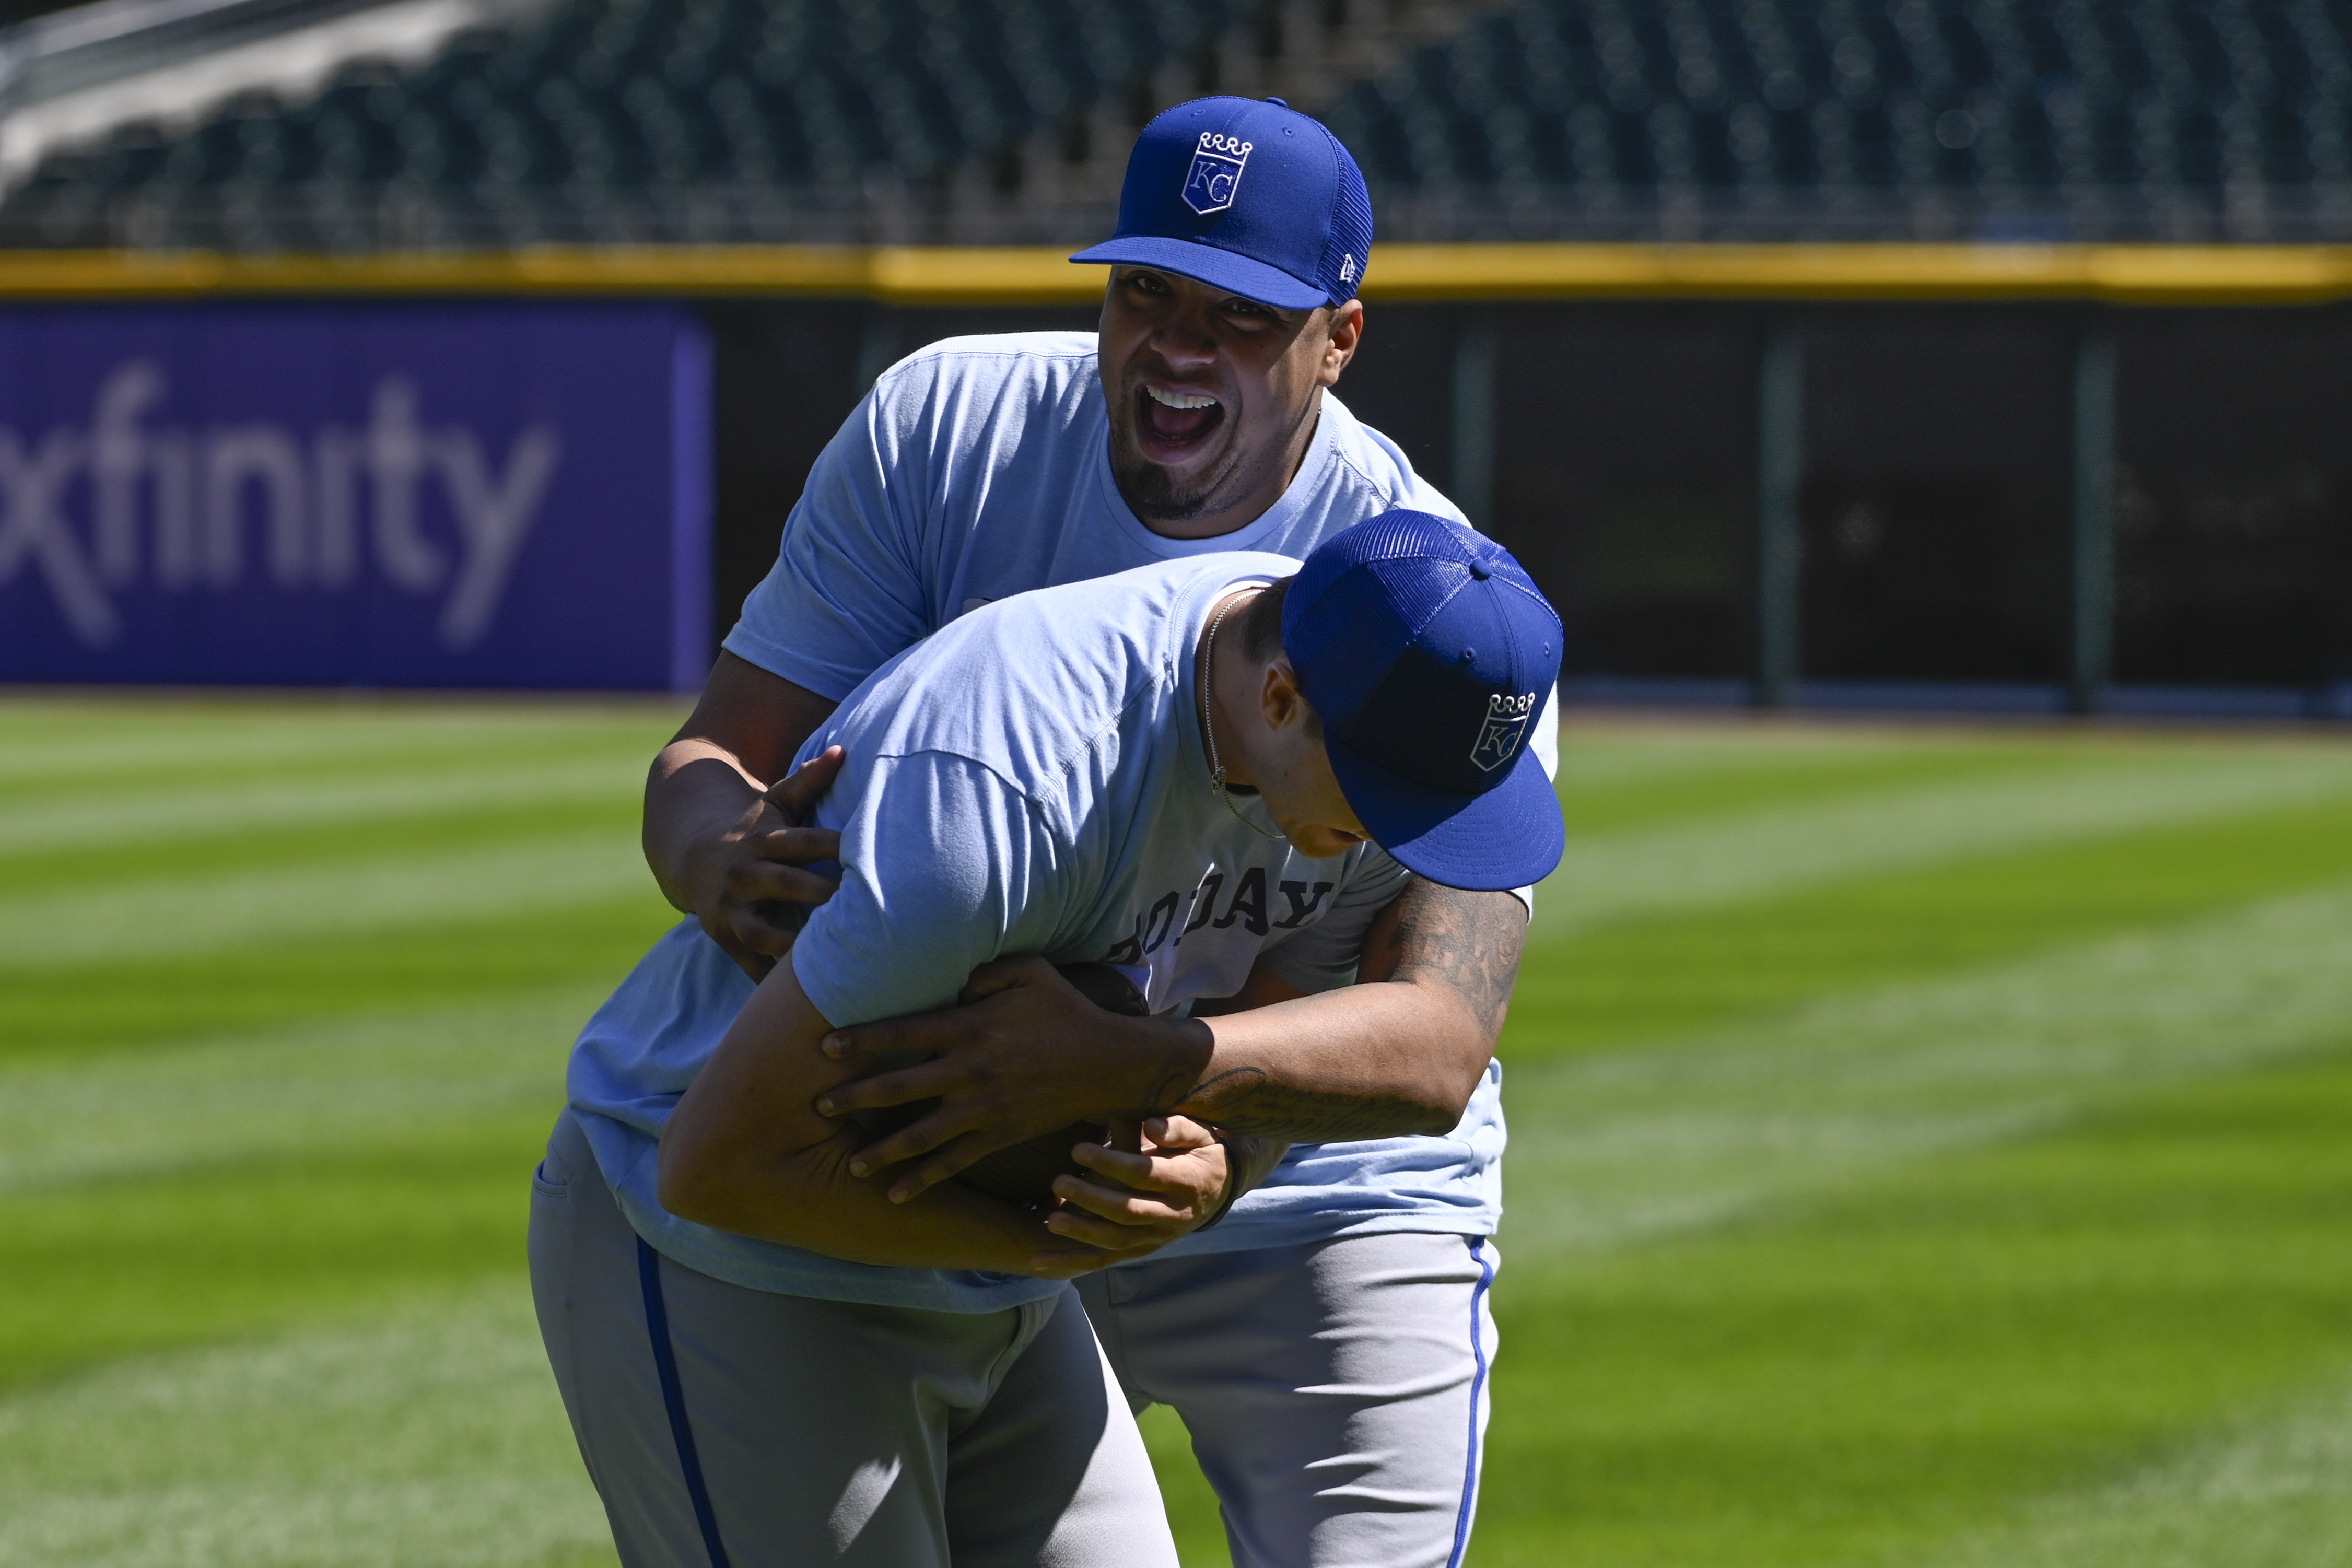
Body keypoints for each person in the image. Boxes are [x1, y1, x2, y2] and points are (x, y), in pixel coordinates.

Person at [634, 96, 1557, 1567]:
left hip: (1322, 1183)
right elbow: (707, 764)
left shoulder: (1429, 607)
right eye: (1147, 294)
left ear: (1341, 337)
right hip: (992, 1133)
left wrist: (1198, 1117)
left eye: (1243, 318)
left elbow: (1438, 1029)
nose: (1178, 348)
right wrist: (720, 858)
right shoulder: (954, 428)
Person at [532, 514, 1564, 1566]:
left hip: (990, 1275)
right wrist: (1052, 1237)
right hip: (717, 1246)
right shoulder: (1009, 790)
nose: (1408, 837)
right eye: (1387, 801)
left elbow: (1284, 1041)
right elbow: (714, 1163)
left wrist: (1223, 1159)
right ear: (1279, 699)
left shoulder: (1365, 715)